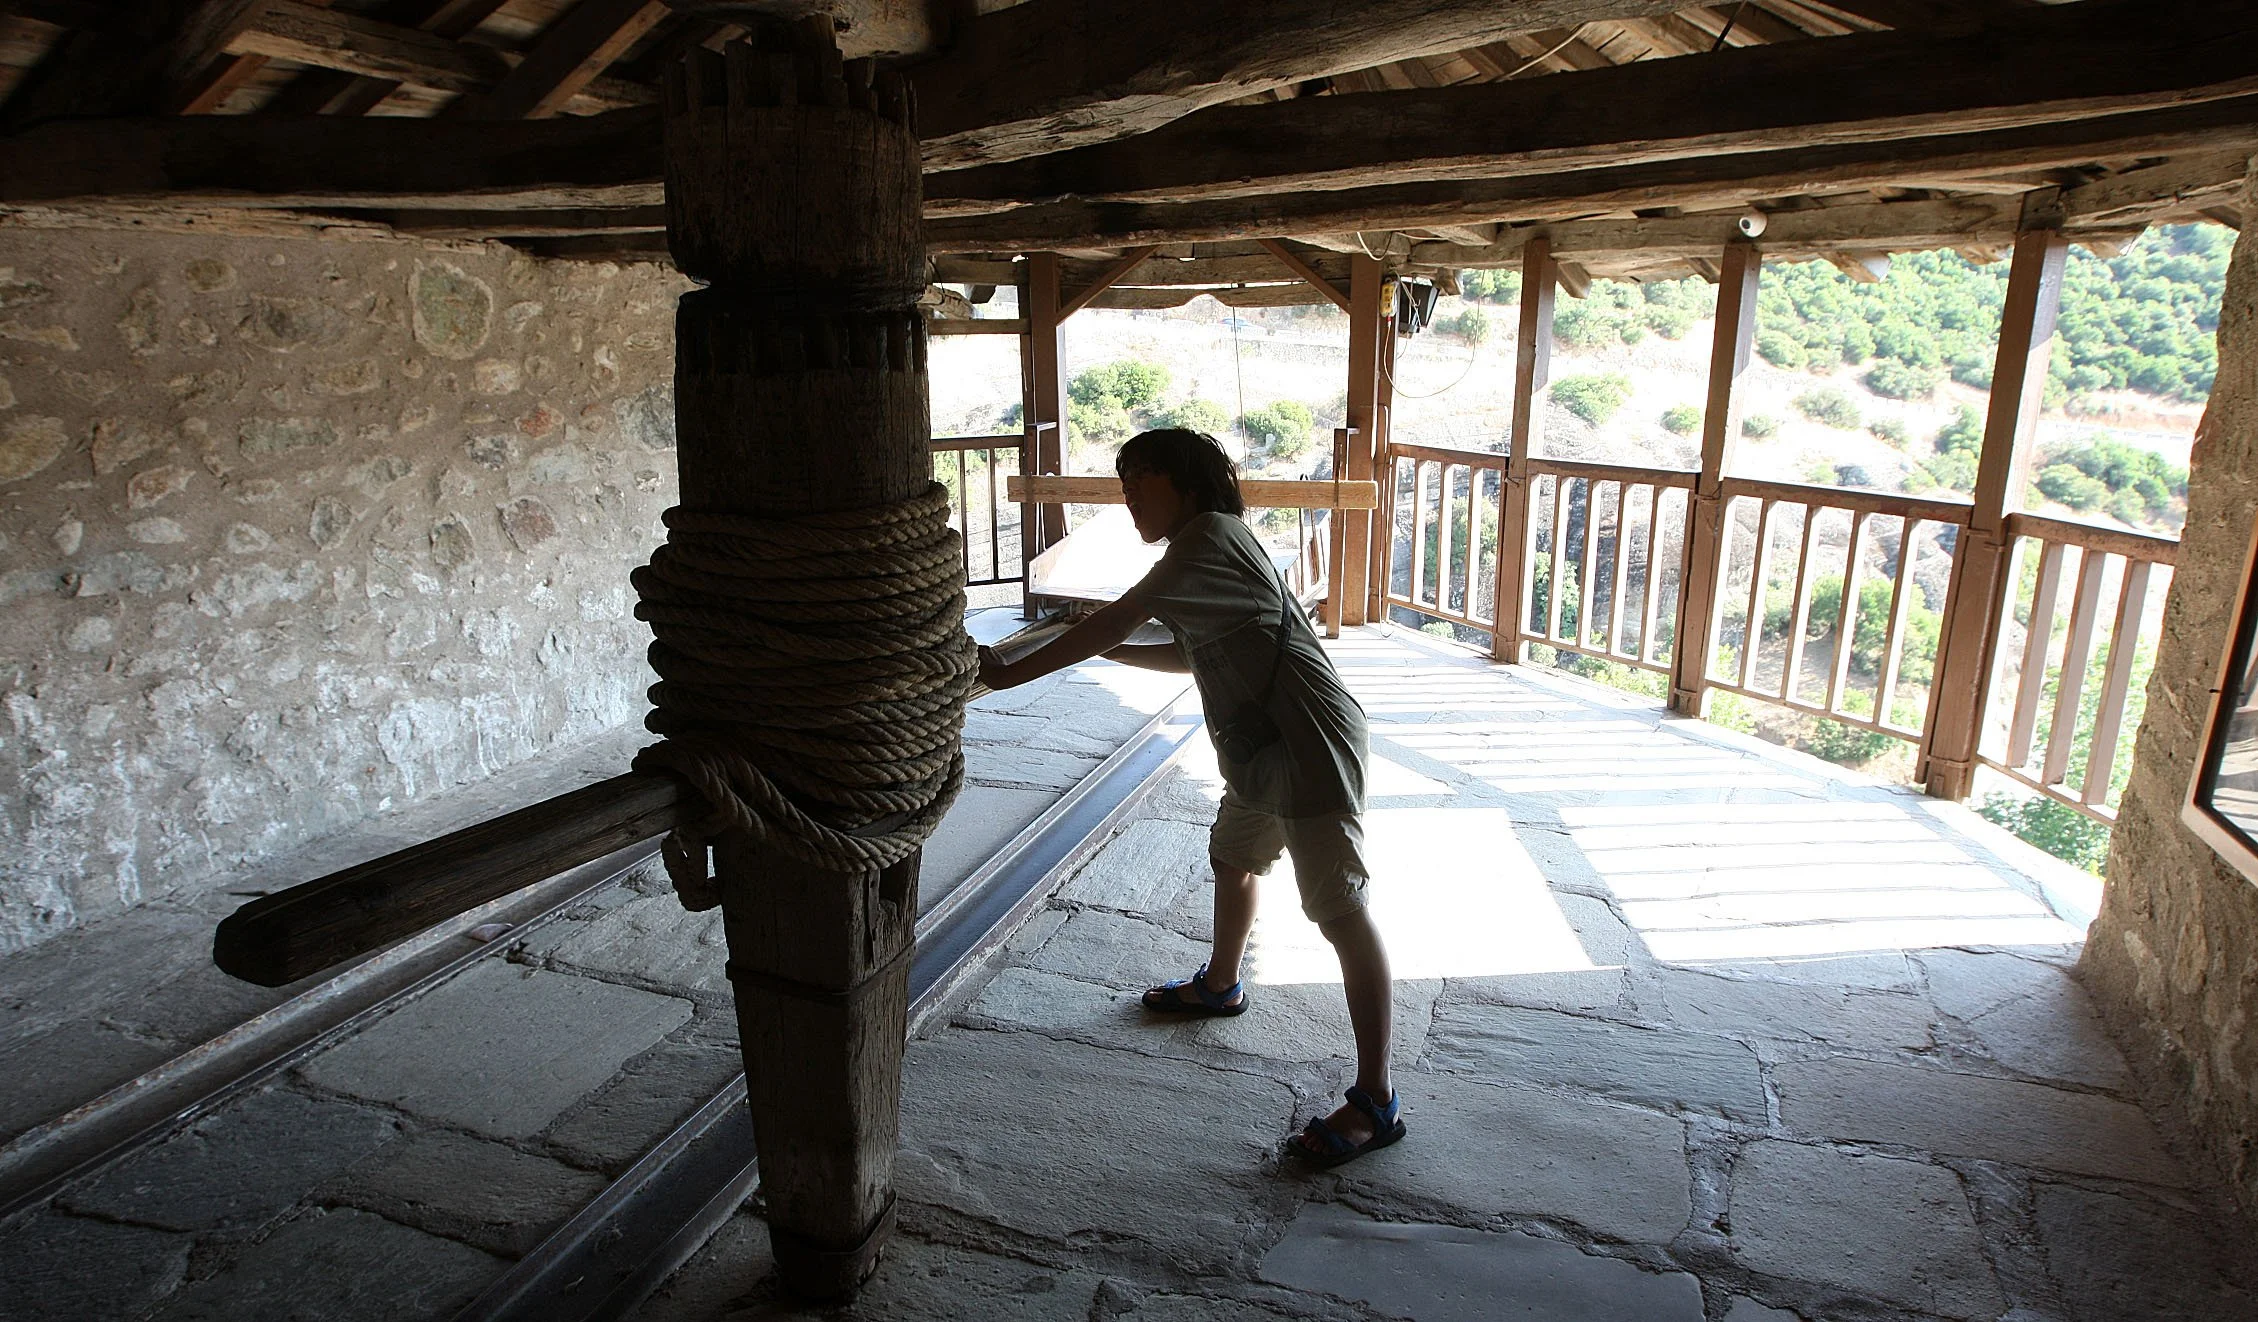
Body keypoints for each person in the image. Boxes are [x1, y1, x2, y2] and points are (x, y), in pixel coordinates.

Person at [976, 429, 1403, 1167]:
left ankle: (1376, 1100)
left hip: (1307, 739)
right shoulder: (1211, 544)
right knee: (1234, 859)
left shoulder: (1207, 536)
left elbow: (1116, 615)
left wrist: (1015, 673)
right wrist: (1106, 647)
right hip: (1260, 744)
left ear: (1191, 484)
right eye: (1124, 481)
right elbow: (1188, 652)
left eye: (1142, 478)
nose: (1130, 495)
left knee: (1339, 908)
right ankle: (1221, 983)